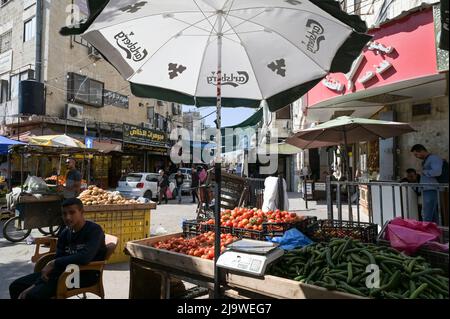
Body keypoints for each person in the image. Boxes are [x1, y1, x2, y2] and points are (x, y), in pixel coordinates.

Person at [9, 198, 106, 299]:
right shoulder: (65, 232)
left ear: (82, 212)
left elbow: (85, 257)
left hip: (83, 275)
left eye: (72, 212)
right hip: (62, 273)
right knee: (16, 286)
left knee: (32, 295)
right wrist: (36, 283)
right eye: (64, 214)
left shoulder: (94, 230)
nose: (67, 217)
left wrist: (53, 263)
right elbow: (59, 258)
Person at [410, 144, 443, 223]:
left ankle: (426, 233)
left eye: (416, 154)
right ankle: (434, 234)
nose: (416, 156)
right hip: (428, 189)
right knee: (433, 215)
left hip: (431, 189)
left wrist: (424, 172)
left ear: (421, 151)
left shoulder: (433, 158)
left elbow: (437, 172)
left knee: (426, 214)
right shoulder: (428, 159)